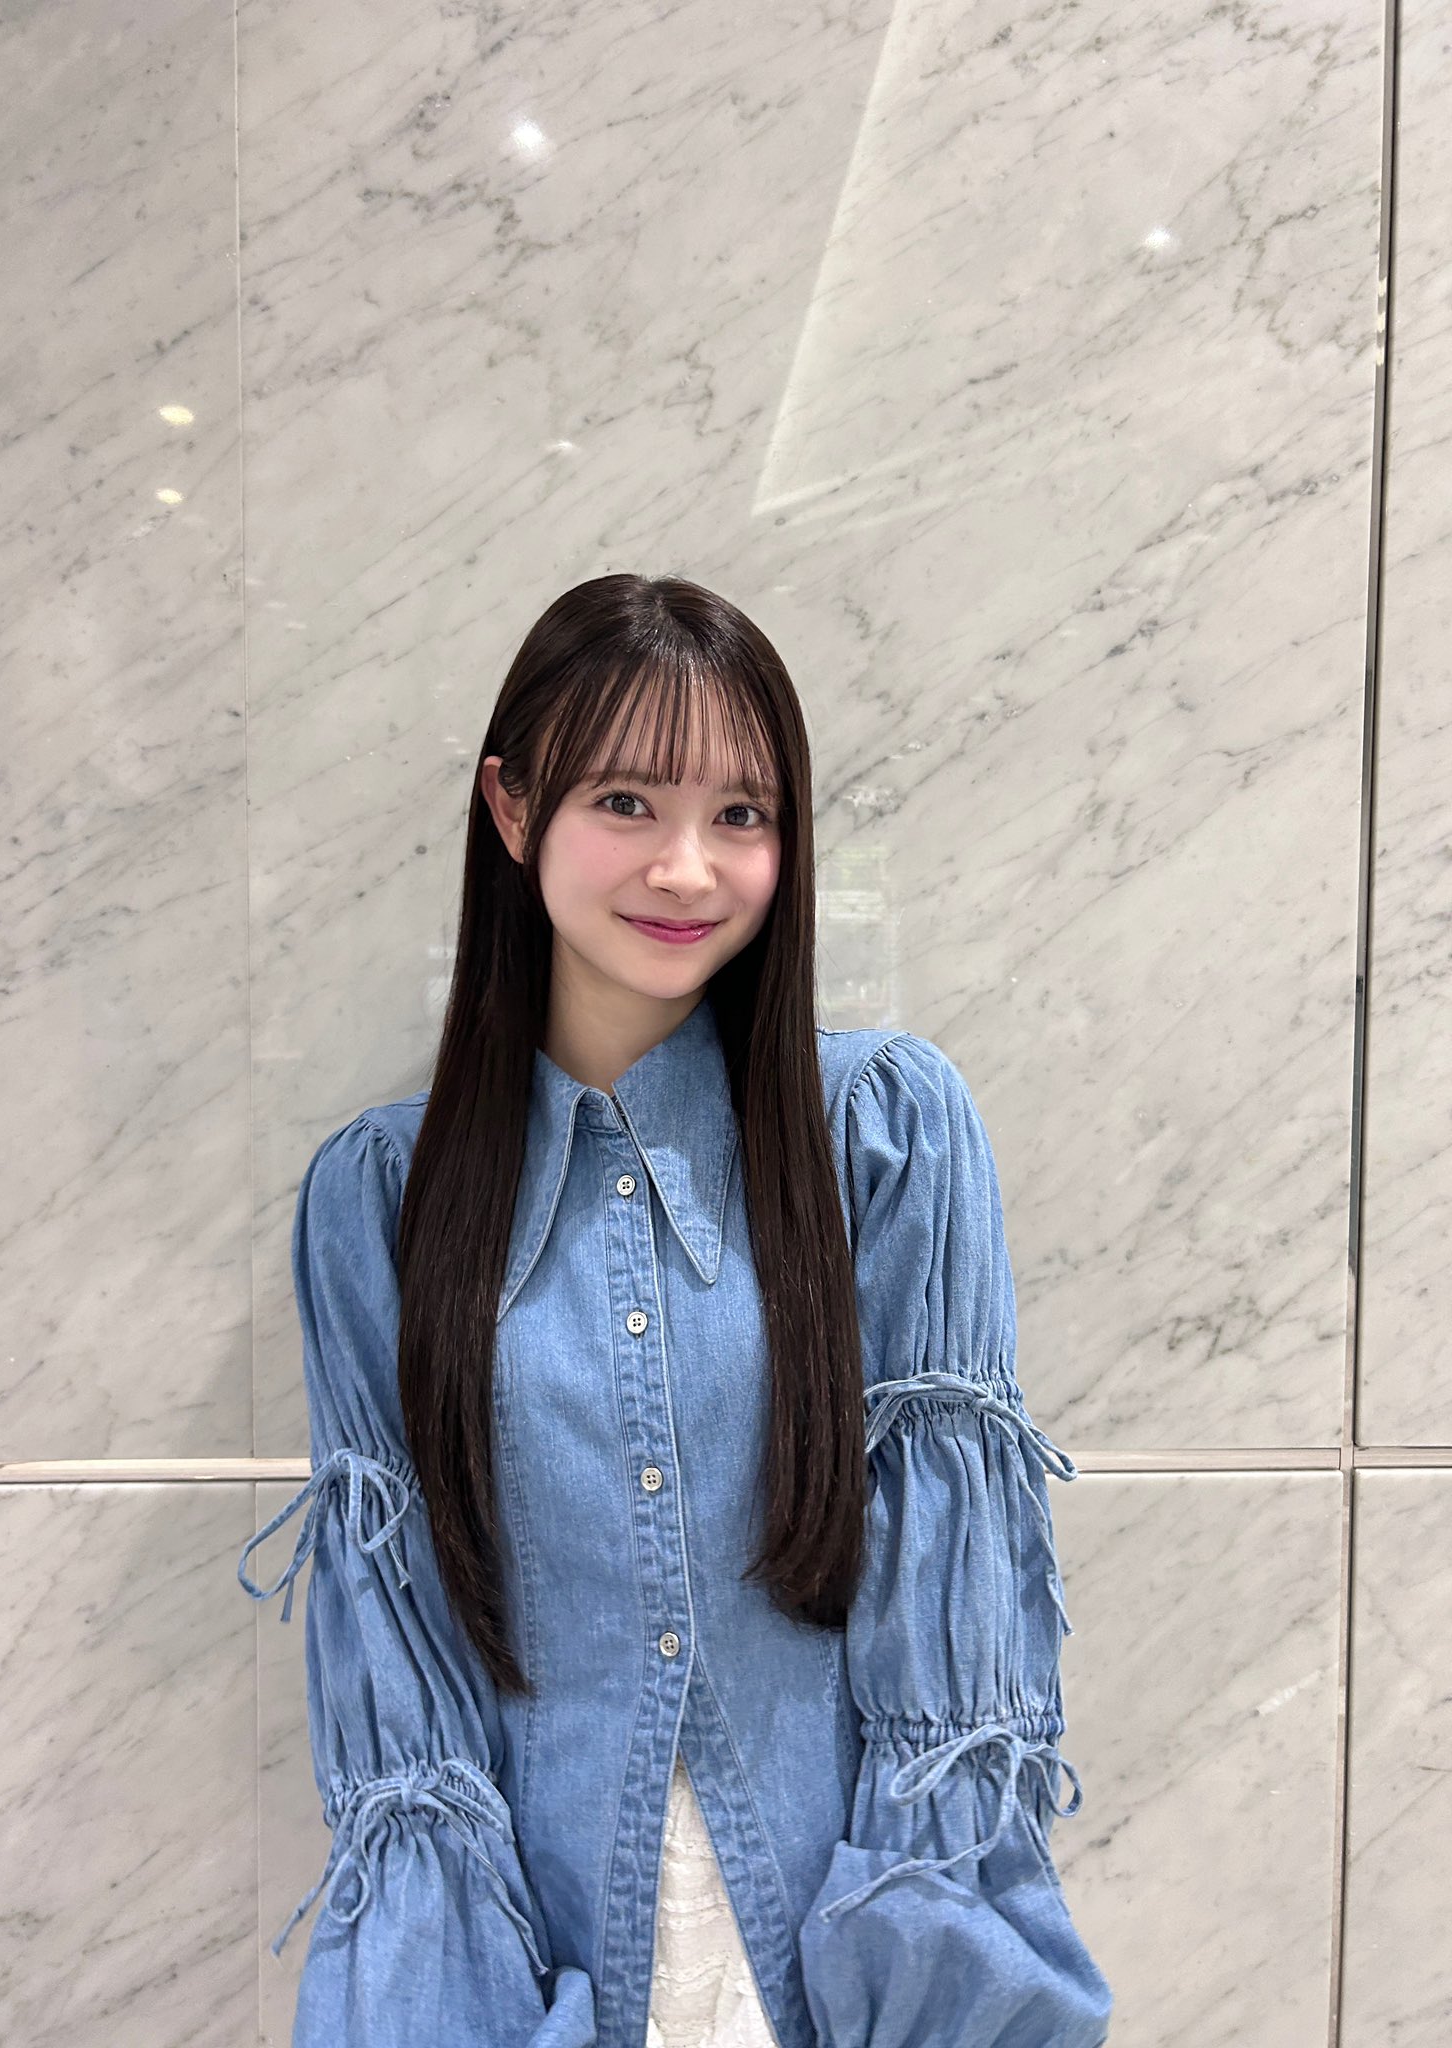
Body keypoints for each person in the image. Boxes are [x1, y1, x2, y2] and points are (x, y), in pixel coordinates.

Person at [236, 573, 1115, 2047]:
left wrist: (934, 2003)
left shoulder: (884, 1134)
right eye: (626, 802)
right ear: (513, 809)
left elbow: (950, 1652)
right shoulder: (380, 1200)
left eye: (741, 814)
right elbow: (405, 1691)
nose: (688, 868)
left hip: (842, 1969)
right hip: (547, 1982)